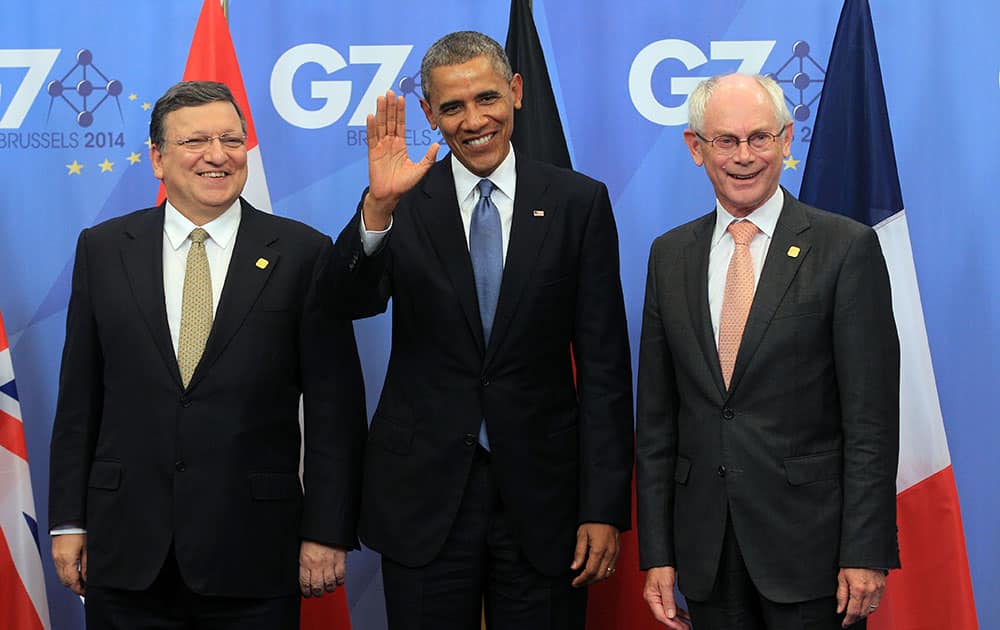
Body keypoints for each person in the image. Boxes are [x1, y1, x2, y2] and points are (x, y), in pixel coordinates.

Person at [332, 31, 633, 630]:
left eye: (488, 98)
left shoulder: (578, 203)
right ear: (429, 114)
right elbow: (348, 301)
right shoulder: (402, 200)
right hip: (424, 495)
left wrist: (603, 506)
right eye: (452, 107)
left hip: (545, 499)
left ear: (516, 92)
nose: (474, 121)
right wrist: (377, 210)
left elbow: (604, 367)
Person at [48, 80, 367, 629]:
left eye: (231, 139)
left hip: (254, 551)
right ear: (157, 159)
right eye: (196, 141)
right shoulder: (101, 249)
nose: (218, 156)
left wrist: (326, 530)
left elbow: (334, 408)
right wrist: (67, 523)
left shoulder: (302, 253)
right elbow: (80, 397)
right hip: (127, 551)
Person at [635, 73, 900, 630]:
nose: (744, 156)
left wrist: (865, 550)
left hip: (814, 555)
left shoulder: (846, 248)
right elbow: (657, 422)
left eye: (760, 137)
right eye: (726, 141)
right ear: (695, 149)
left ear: (786, 139)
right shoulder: (669, 255)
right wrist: (657, 553)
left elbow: (871, 421)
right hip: (706, 553)